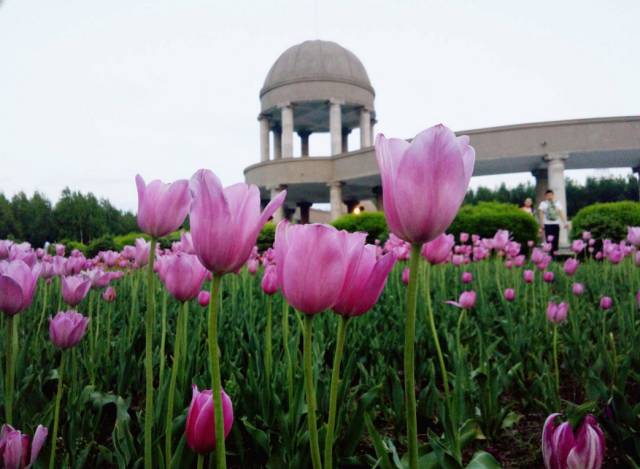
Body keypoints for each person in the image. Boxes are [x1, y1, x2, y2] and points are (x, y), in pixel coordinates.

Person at [537, 190, 568, 255]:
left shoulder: (557, 203)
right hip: (547, 224)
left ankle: (555, 255)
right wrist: (541, 224)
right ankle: (549, 255)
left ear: (553, 195)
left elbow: (560, 213)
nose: (549, 196)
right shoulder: (543, 203)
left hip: (556, 223)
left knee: (556, 240)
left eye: (551, 195)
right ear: (545, 196)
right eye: (548, 195)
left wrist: (565, 222)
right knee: (548, 240)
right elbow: (541, 214)